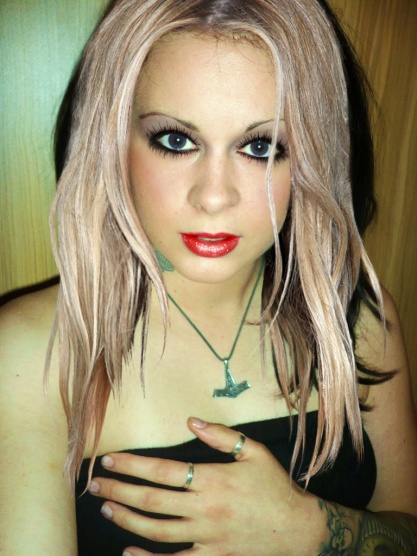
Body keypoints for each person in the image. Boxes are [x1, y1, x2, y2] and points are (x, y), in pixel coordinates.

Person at [1, 0, 417, 554]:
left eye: (260, 147)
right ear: (112, 141)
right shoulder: (36, 355)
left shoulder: (360, 323)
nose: (214, 197)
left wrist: (312, 530)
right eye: (176, 140)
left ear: (311, 158)